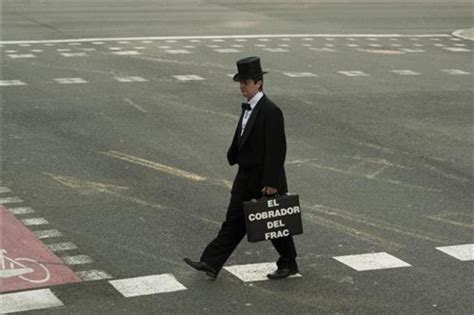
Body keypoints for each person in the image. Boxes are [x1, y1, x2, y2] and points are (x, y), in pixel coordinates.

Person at [184, 56, 298, 280]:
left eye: (246, 83)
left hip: (264, 179)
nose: (242, 87)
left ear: (258, 83)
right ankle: (210, 263)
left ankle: (289, 262)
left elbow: (277, 150)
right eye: (240, 83)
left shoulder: (271, 111)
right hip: (245, 175)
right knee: (234, 221)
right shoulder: (249, 108)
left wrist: (272, 183)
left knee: (274, 224)